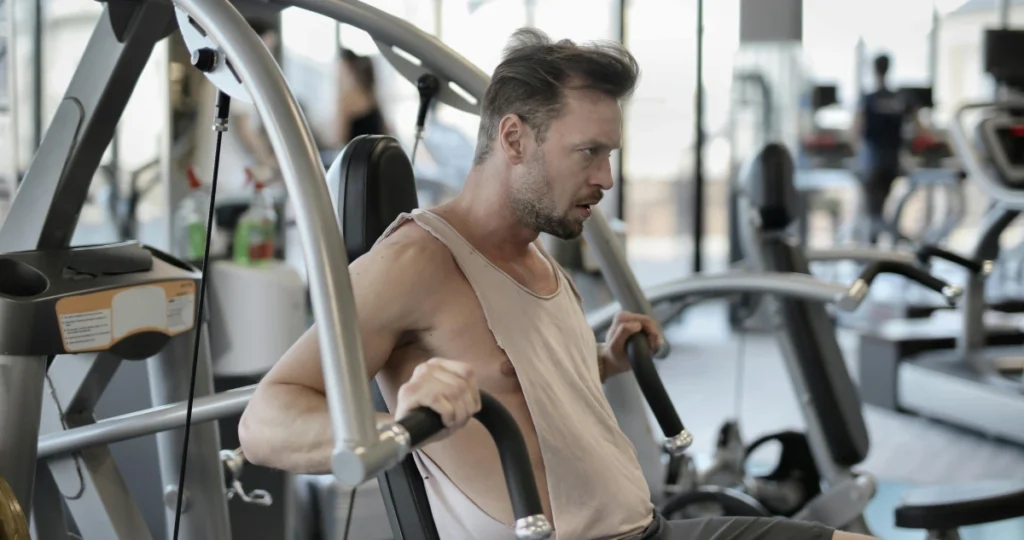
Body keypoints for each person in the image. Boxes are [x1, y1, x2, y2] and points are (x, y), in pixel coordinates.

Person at [238, 28, 874, 540]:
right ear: (514, 138)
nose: (607, 177)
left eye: (611, 155)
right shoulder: (415, 263)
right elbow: (263, 423)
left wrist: (603, 361)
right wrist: (392, 426)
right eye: (588, 152)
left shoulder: (539, 258)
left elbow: (516, 383)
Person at [851, 53, 926, 245]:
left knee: (873, 210)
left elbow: (856, 130)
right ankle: (884, 241)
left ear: (874, 69)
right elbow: (920, 128)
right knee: (880, 206)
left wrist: (854, 154)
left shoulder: (868, 98)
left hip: (872, 161)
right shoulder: (901, 97)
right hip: (892, 160)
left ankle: (878, 244)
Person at [335, 48, 389, 146]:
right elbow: (387, 131)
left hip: (356, 157)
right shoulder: (373, 98)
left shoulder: (348, 100)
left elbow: (339, 138)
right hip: (375, 154)